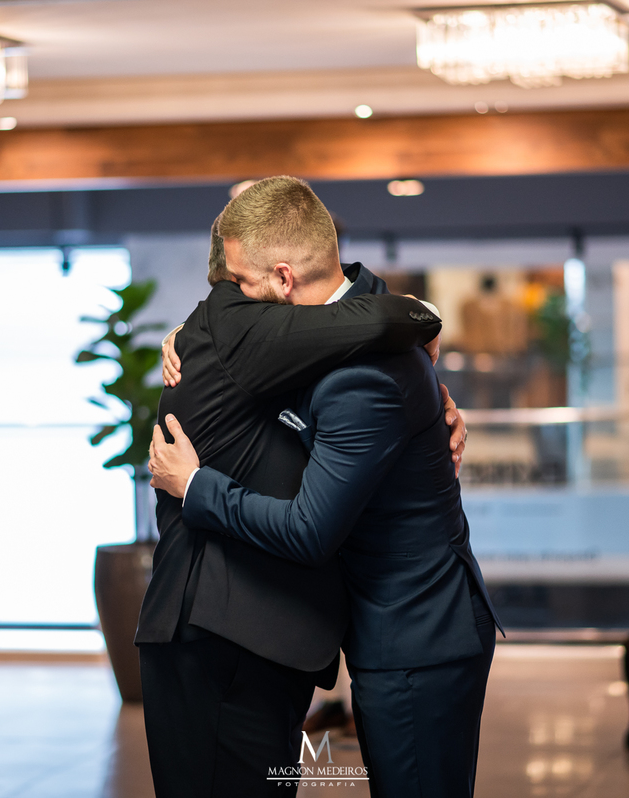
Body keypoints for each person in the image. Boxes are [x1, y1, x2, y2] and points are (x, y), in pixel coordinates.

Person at [149, 203, 502, 796]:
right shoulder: (351, 321)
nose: (230, 300)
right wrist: (190, 335)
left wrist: (195, 485)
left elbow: (309, 530)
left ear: (284, 278)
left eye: (239, 282)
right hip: (394, 622)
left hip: (416, 631)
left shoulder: (361, 375)